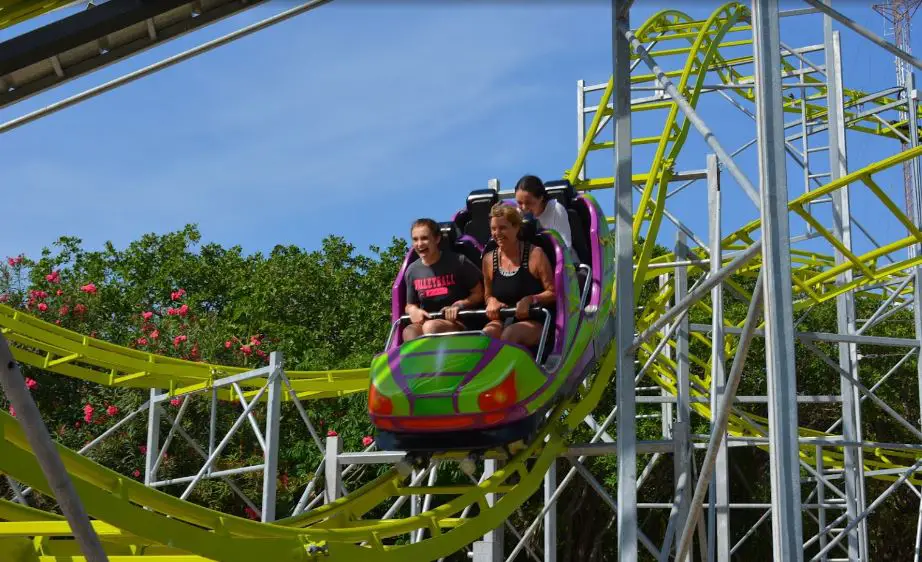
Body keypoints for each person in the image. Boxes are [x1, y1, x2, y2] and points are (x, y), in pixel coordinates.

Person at [481, 204, 556, 348]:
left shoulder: (536, 255)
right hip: (503, 320)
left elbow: (553, 292)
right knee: (485, 336)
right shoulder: (488, 260)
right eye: (493, 229)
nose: (497, 233)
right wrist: (491, 301)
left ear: (516, 227)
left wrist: (530, 300)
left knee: (509, 335)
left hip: (536, 320)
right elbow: (487, 295)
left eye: (503, 228)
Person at [403, 218, 483, 341]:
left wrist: (460, 305)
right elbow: (410, 305)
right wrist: (413, 310)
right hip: (429, 321)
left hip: (459, 322)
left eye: (424, 238)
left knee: (431, 327)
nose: (419, 244)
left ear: (437, 239)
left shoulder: (458, 262)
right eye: (415, 239)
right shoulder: (412, 270)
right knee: (410, 331)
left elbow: (479, 293)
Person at [514, 174, 572, 247]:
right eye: (519, 203)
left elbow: (566, 245)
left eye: (528, 203)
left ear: (541, 198)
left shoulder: (556, 209)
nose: (524, 208)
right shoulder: (516, 214)